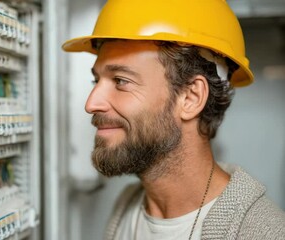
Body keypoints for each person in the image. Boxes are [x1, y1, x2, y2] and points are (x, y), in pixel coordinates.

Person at [62, 0, 285, 239]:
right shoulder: (126, 209)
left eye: (120, 81)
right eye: (96, 81)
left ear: (190, 97)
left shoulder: (262, 232)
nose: (91, 103)